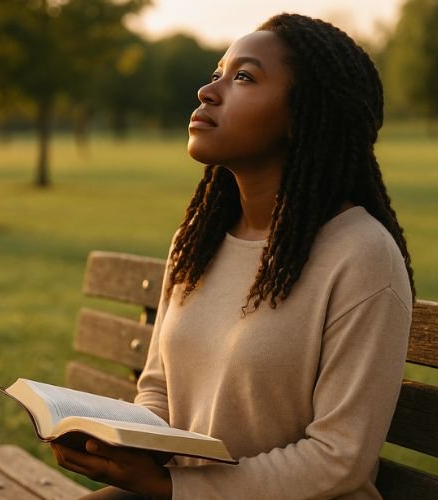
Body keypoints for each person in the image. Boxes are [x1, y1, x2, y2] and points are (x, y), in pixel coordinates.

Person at [51, 12, 414, 499]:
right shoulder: (197, 241)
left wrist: (172, 486)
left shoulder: (362, 255)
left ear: (304, 114)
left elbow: (339, 458)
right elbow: (158, 389)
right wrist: (120, 446)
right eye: (217, 73)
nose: (209, 91)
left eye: (244, 77)